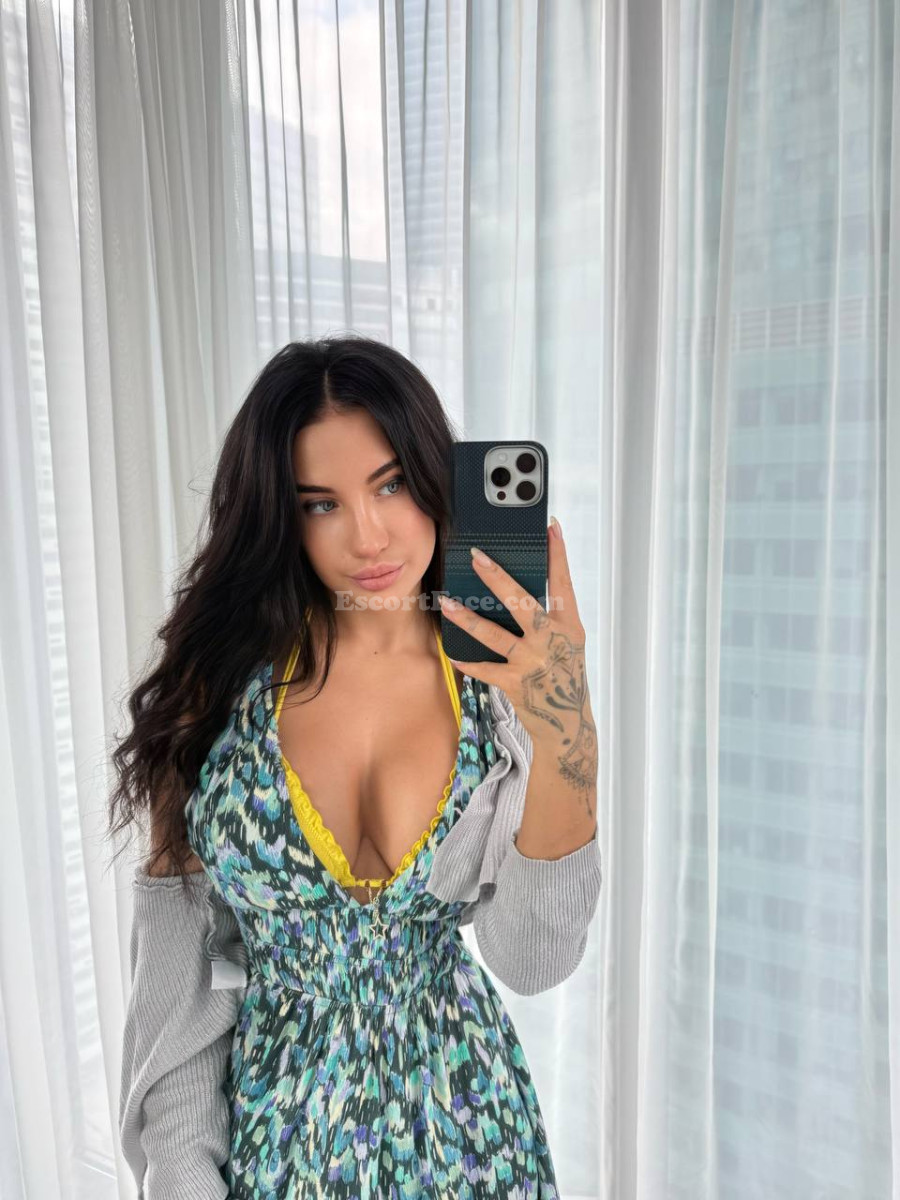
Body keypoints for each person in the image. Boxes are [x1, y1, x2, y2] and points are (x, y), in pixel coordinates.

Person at [110, 335, 602, 1199]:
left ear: (434, 477)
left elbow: (532, 958)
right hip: (281, 1151)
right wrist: (182, 1181)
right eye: (321, 504)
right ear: (280, 514)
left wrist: (565, 723)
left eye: (390, 484)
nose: (367, 536)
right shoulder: (213, 691)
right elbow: (176, 998)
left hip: (474, 1139)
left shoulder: (496, 694)